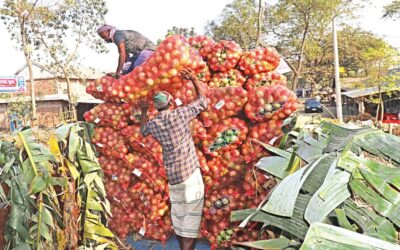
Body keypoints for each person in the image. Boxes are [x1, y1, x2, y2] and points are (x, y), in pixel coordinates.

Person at [139, 68, 208, 250]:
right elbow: (203, 102)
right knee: (190, 223)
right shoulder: (180, 114)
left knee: (178, 219)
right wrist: (193, 79)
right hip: (190, 176)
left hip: (174, 178)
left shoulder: (154, 124)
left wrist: (144, 111)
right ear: (171, 103)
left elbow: (143, 130)